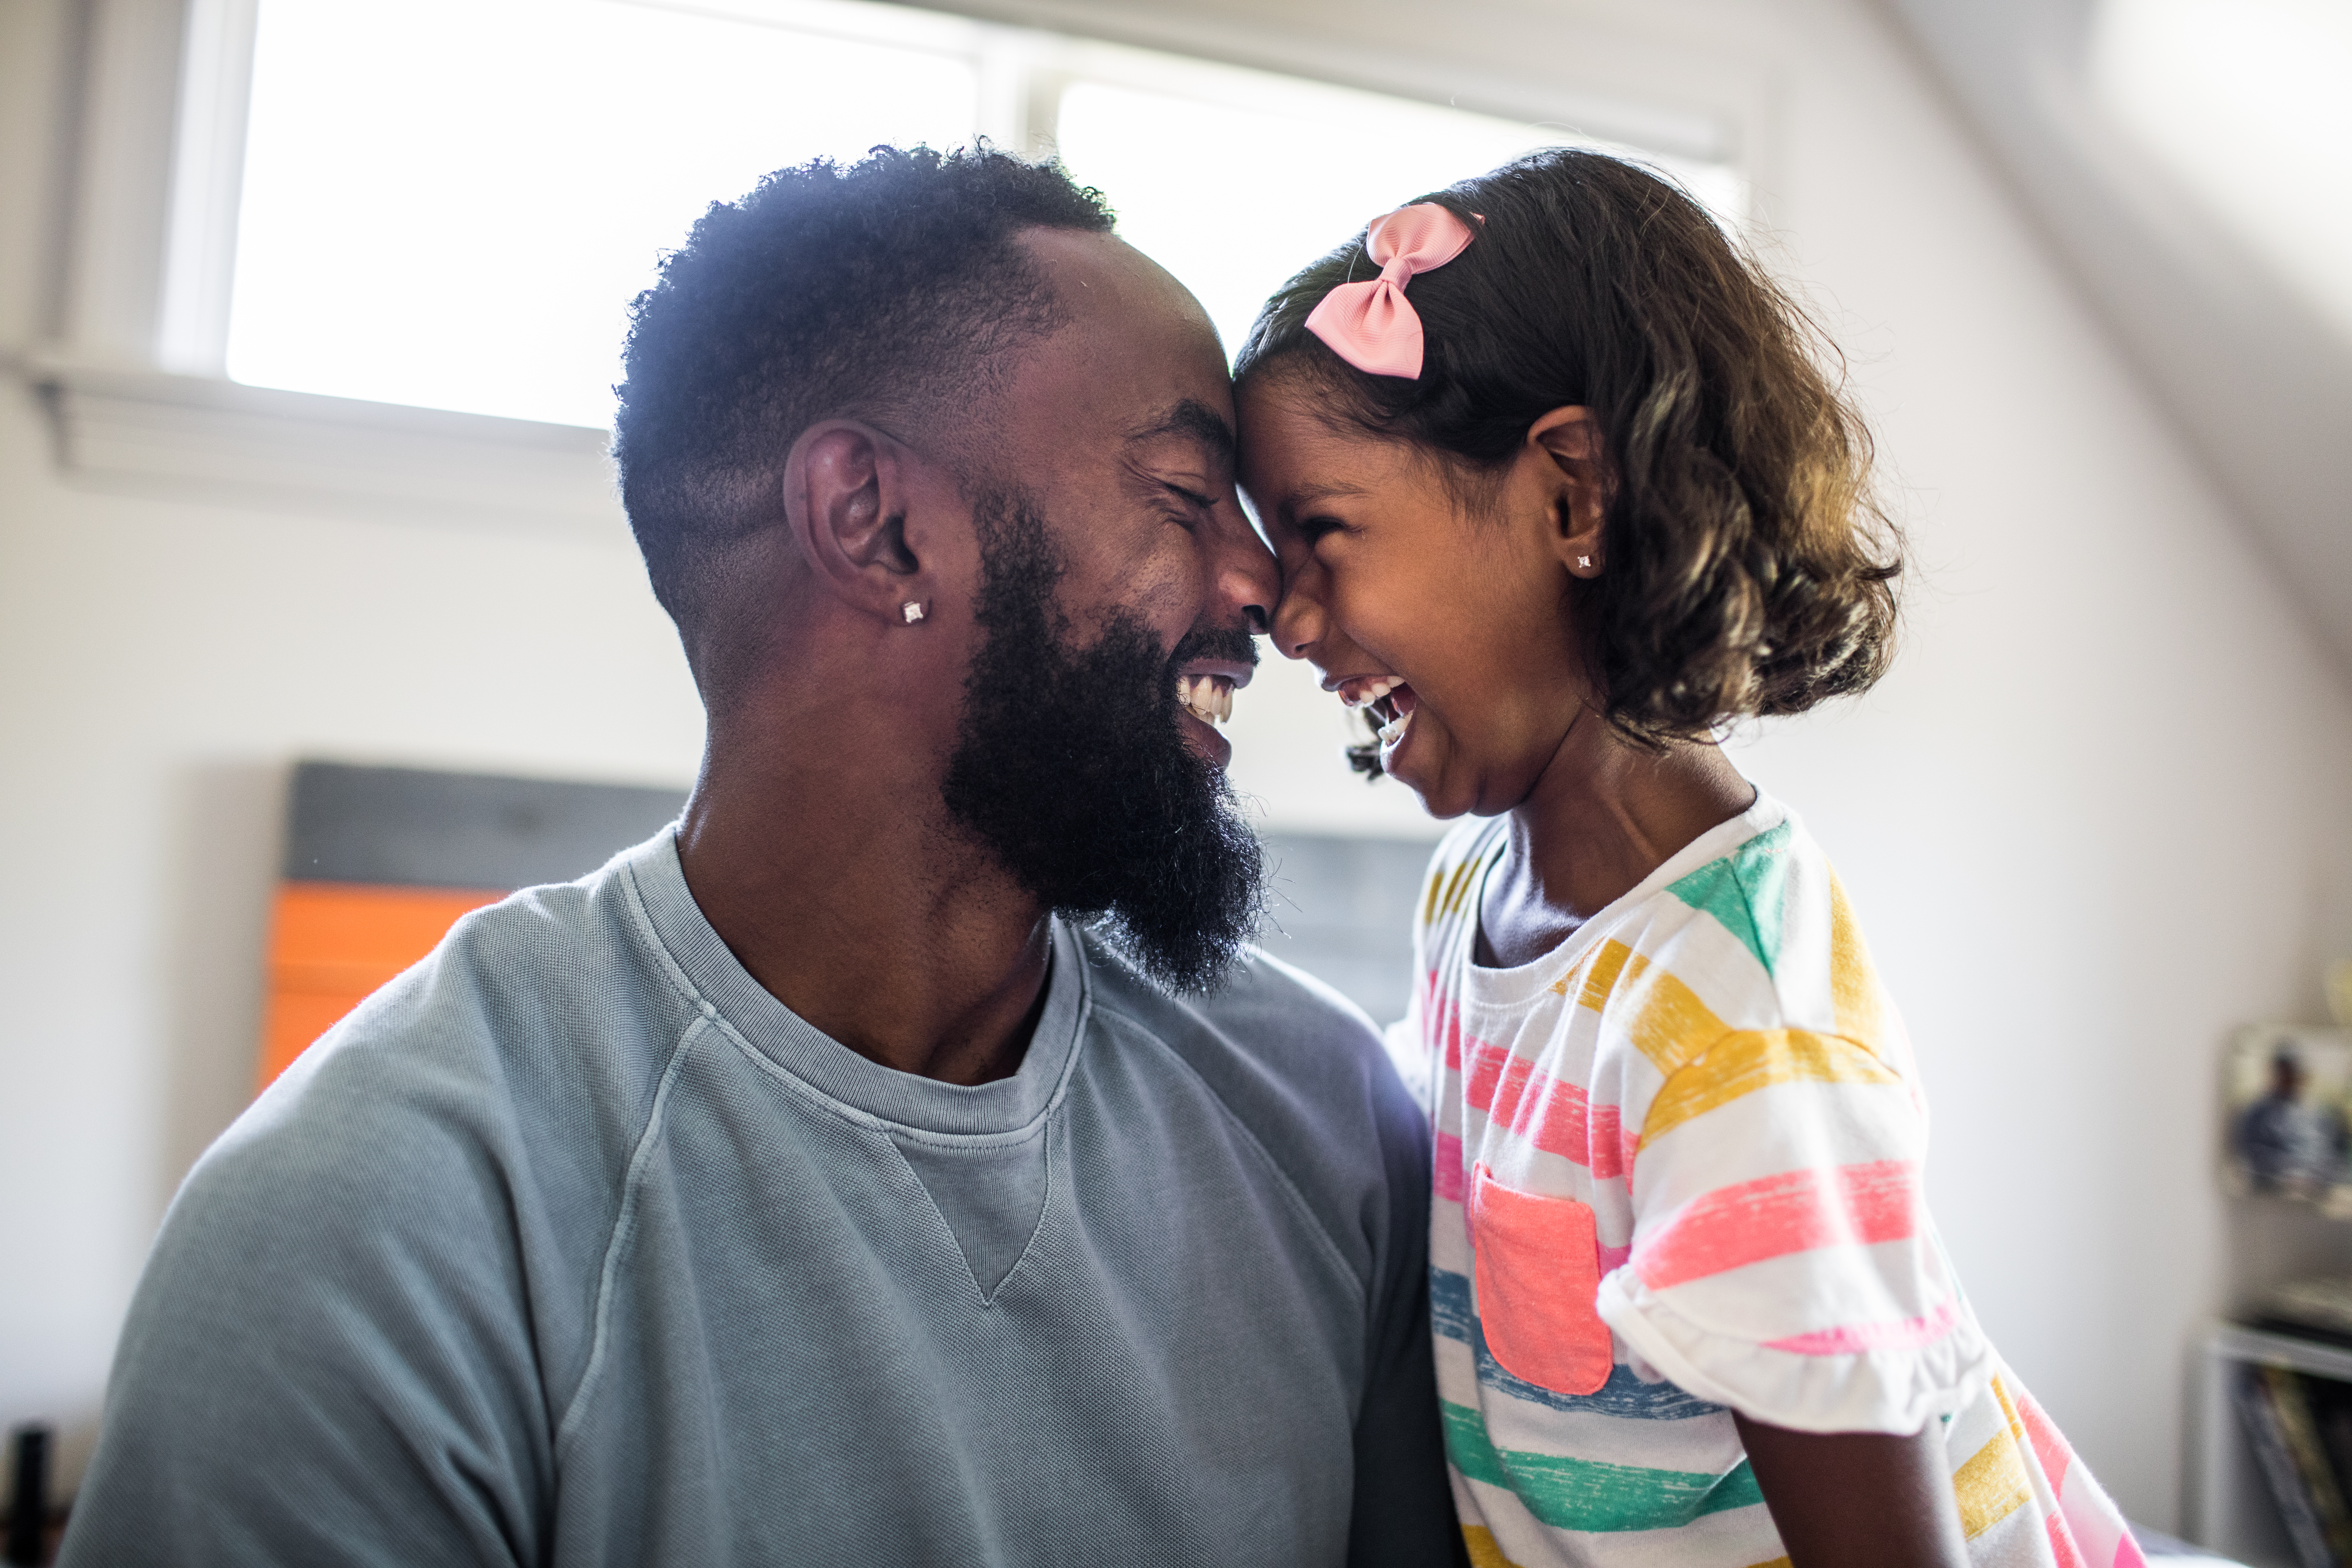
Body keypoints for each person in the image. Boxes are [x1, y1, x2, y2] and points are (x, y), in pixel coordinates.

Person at [59, 148, 1460, 1566]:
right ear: (876, 523)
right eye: (1182, 491)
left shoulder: (1327, 1121)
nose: (1269, 592)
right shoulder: (368, 1229)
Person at [1233, 152, 2140, 1568]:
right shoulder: (1476, 898)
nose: (1288, 618)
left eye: (1323, 534)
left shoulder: (1734, 1027)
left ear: (1571, 499)